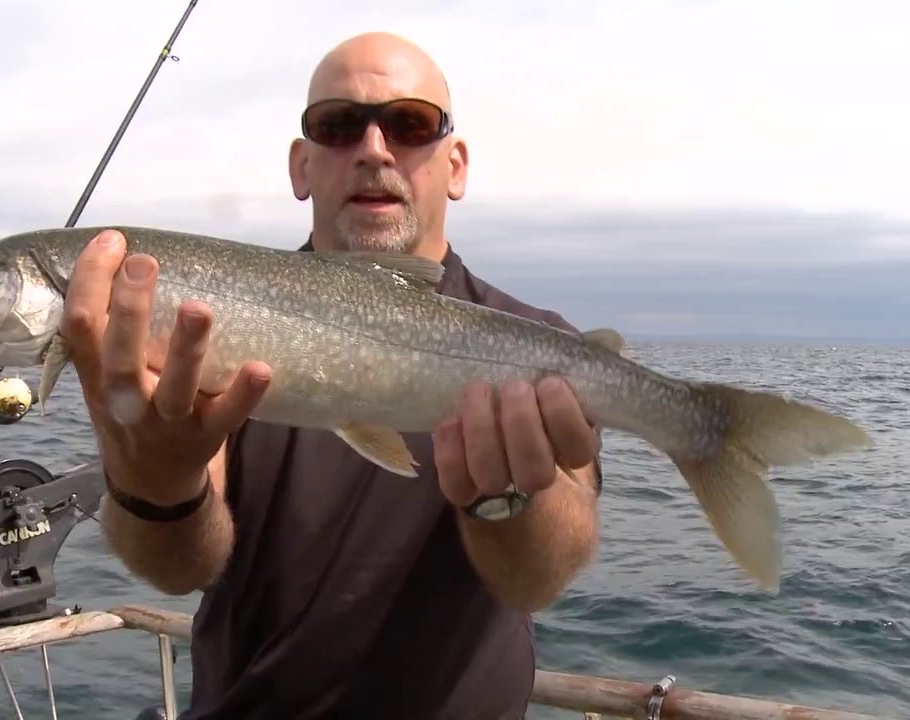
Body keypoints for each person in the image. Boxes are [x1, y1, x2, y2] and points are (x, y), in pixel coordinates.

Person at [62, 31, 603, 720]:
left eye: (410, 124)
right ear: (302, 166)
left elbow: (538, 578)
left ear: (456, 164)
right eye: (338, 126)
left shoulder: (543, 346)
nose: (374, 149)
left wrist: (506, 501)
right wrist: (155, 482)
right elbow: (177, 569)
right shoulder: (205, 330)